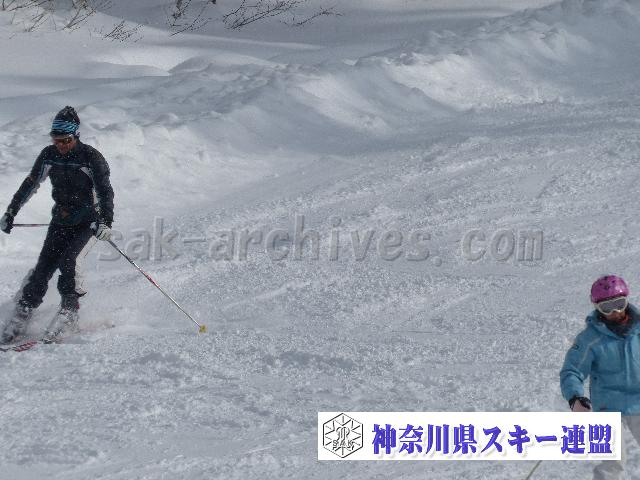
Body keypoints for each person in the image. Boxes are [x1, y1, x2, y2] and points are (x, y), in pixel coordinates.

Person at [0, 106, 114, 343]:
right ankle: (23, 312)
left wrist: (105, 221)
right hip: (61, 220)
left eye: (66, 140)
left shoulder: (91, 157)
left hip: (88, 223)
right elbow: (30, 184)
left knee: (70, 261)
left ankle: (69, 312)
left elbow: (105, 192)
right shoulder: (49, 155)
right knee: (43, 268)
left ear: (76, 136)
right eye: (56, 139)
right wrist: (11, 212)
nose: (60, 145)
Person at [560, 275, 640, 480]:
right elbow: (572, 371)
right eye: (607, 307)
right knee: (613, 462)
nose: (615, 312)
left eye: (619, 304)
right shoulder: (590, 339)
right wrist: (575, 397)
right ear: (597, 307)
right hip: (607, 407)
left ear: (627, 300)